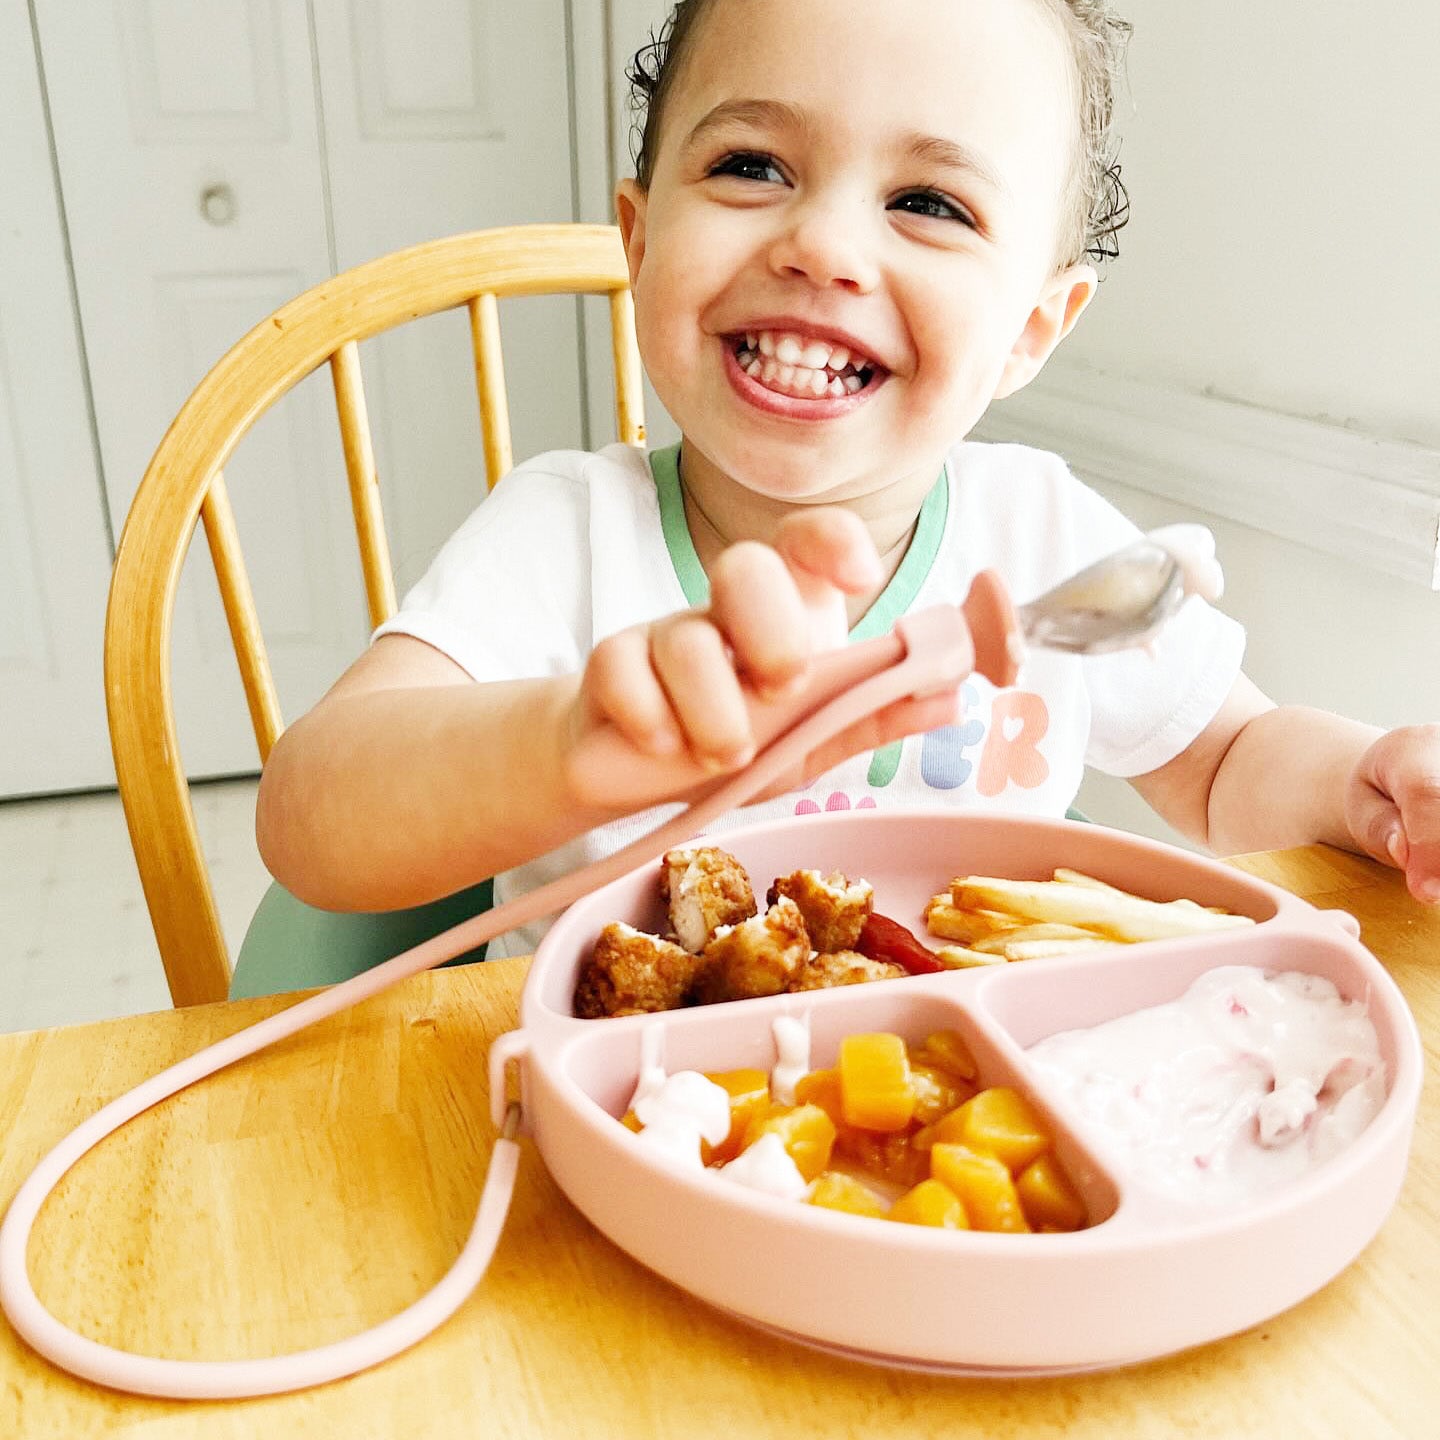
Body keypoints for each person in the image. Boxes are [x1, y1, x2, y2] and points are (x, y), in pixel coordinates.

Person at [255, 0, 1440, 966]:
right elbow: (312, 818)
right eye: (751, 165)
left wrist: (1362, 784)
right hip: (609, 1154)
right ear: (639, 240)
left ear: (1034, 327)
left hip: (960, 1143)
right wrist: (561, 745)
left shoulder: (1046, 541)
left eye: (928, 203)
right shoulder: (561, 536)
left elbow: (1228, 759)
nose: (821, 244)